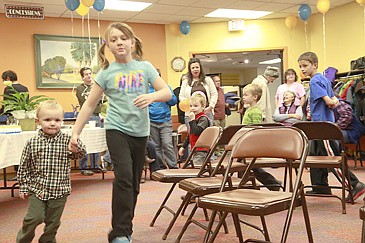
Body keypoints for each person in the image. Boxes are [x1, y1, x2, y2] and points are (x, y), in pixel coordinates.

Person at [68, 22, 172, 243]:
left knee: (133, 184)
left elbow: (167, 92)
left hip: (140, 132)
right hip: (116, 129)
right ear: (108, 46)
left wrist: (151, 96)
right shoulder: (106, 72)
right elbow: (88, 105)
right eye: (113, 40)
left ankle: (126, 227)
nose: (119, 42)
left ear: (132, 42)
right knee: (123, 178)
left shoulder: (145, 67)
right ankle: (120, 232)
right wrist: (75, 133)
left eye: (123, 38)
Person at [298, 51, 365, 201]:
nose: (302, 69)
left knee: (332, 158)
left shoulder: (314, 81)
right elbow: (335, 99)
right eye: (300, 66)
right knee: (316, 155)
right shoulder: (325, 79)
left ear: (315, 65)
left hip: (323, 127)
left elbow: (329, 101)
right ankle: (320, 186)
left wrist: (329, 102)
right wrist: (331, 102)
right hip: (319, 126)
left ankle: (354, 185)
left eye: (305, 66)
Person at [16, 100, 86, 243]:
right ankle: (23, 240)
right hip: (38, 189)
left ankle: (47, 241)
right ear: (38, 121)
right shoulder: (32, 142)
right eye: (47, 120)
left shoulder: (67, 140)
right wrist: (23, 186)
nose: (53, 123)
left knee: (53, 222)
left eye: (57, 120)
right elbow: (24, 166)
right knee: (34, 218)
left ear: (62, 121)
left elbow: (81, 154)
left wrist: (76, 145)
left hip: (60, 190)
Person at [241, 83, 282, 191]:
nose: (243, 97)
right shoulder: (249, 110)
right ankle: (246, 186)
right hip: (245, 142)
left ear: (255, 97)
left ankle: (273, 184)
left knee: (252, 167)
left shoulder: (255, 111)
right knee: (245, 166)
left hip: (251, 143)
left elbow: (256, 129)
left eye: (246, 95)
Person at [76, 67, 105, 176]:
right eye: (86, 74)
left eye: (90, 73)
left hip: (97, 116)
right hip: (87, 116)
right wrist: (95, 98)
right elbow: (86, 101)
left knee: (96, 140)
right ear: (82, 76)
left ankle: (95, 165)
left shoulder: (96, 87)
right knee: (85, 141)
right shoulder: (80, 88)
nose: (89, 76)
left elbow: (103, 99)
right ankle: (84, 167)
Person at [1, 70, 29, 181]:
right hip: (23, 119)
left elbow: (6, 106)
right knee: (21, 145)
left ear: (8, 79)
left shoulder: (8, 89)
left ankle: (18, 172)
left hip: (12, 119)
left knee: (14, 147)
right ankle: (23, 172)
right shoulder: (25, 88)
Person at [149, 70, 178, 169]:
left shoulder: (166, 87)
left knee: (167, 144)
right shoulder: (146, 89)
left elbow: (174, 101)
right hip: (151, 121)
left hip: (165, 120)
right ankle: (161, 167)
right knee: (156, 146)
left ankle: (173, 166)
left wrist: (165, 95)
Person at [179, 57, 218, 126]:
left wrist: (211, 106)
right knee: (193, 134)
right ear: (190, 70)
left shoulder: (208, 80)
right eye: (193, 68)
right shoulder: (185, 82)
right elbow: (181, 96)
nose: (195, 69)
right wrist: (189, 107)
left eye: (197, 67)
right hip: (190, 114)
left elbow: (214, 94)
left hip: (207, 113)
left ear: (200, 68)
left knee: (208, 134)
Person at [178, 92, 210, 165]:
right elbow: (190, 135)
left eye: (196, 106)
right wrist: (183, 147)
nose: (192, 108)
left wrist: (192, 120)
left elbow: (196, 131)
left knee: (197, 168)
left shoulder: (203, 119)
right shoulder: (194, 119)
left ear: (203, 106)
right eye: (191, 106)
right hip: (194, 149)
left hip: (202, 150)